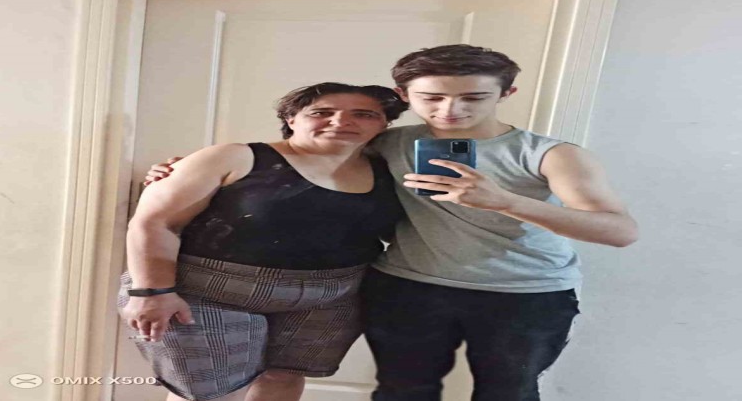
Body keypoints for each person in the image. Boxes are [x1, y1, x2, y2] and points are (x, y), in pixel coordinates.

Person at [146, 45, 639, 401]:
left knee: (508, 391)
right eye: (432, 98)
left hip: (523, 293)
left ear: (505, 92)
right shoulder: (387, 141)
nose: (451, 111)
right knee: (403, 390)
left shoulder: (549, 154)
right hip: (409, 287)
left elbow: (619, 231)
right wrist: (181, 170)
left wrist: (504, 201)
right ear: (405, 95)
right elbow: (303, 153)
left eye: (472, 98)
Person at [119, 82, 407, 401]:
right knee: (206, 393)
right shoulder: (235, 157)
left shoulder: (394, 170)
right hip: (206, 293)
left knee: (284, 376)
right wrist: (151, 292)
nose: (341, 121)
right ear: (291, 119)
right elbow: (155, 222)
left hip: (331, 297)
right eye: (321, 112)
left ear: (384, 124)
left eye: (364, 114)